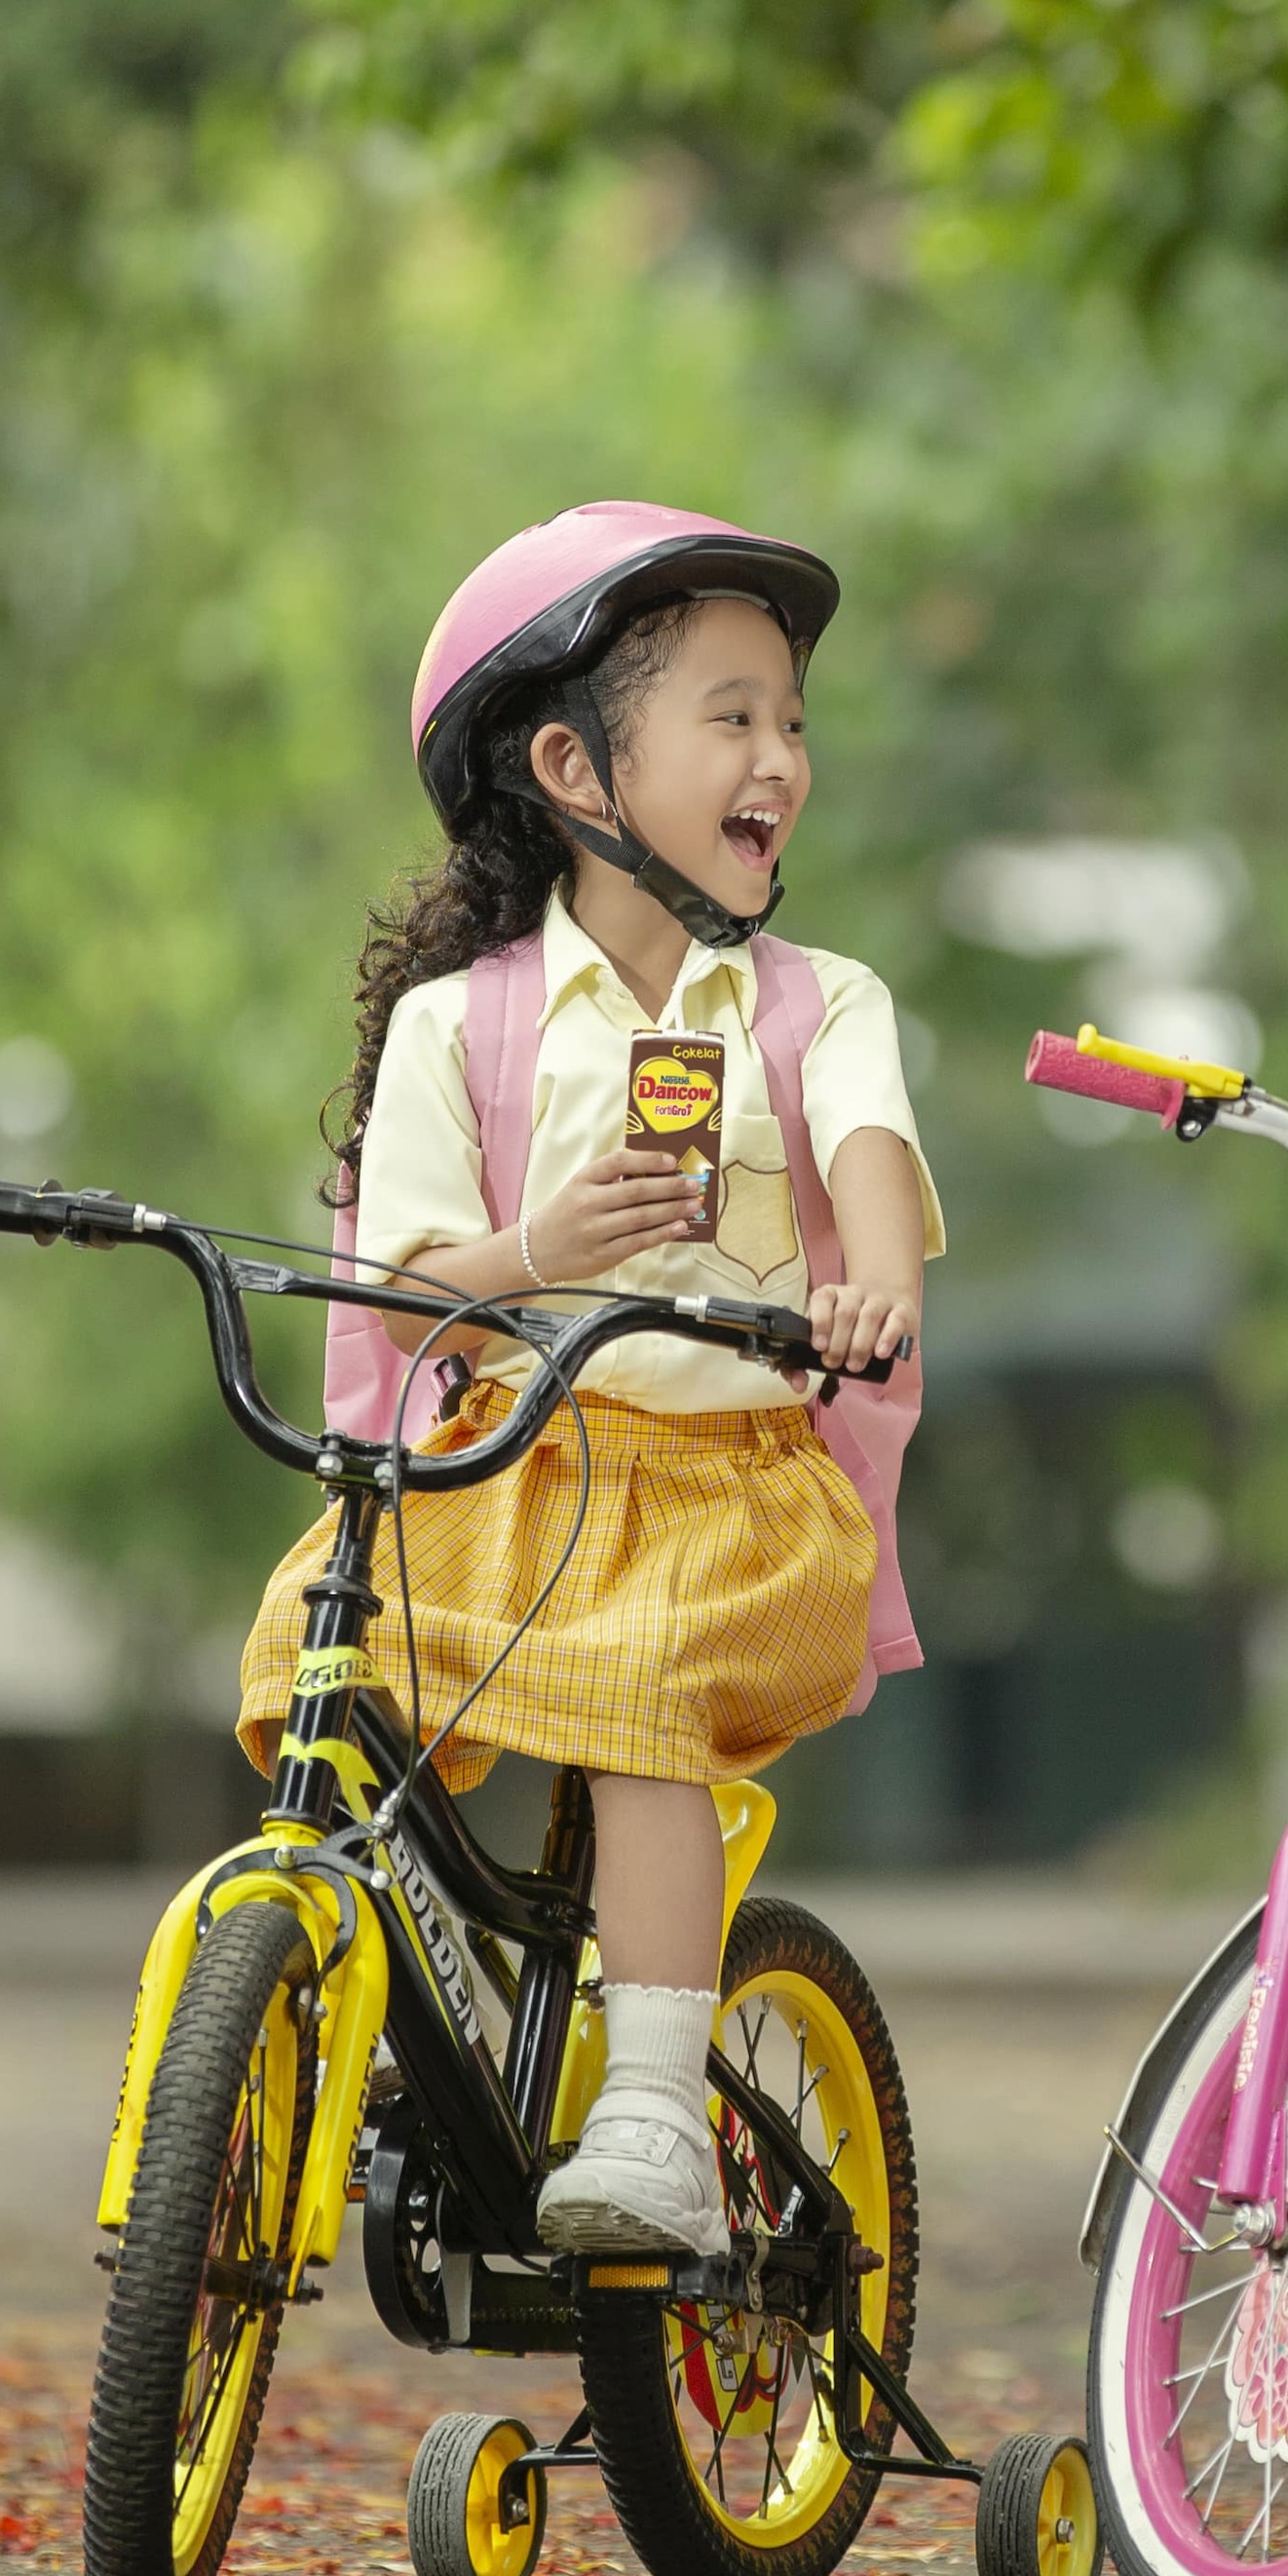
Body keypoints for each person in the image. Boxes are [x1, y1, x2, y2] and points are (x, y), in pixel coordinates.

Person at [235, 501, 937, 2264]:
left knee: (633, 1690)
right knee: (313, 1640)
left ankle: (651, 2111)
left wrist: (870, 1301)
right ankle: (414, 2013)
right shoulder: (456, 1027)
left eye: (793, 721)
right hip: (508, 1472)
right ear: (573, 764)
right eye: (732, 714)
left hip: (732, 1494)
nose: (781, 756)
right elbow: (404, 1306)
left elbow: (870, 1178)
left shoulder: (816, 1001)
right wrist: (537, 1241)